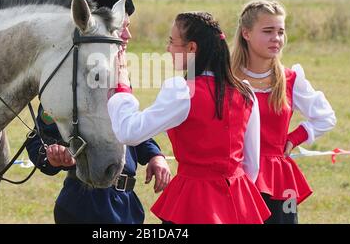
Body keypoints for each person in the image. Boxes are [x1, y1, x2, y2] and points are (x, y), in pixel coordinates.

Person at [107, 12, 271, 224]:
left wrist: (121, 86)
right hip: (238, 201)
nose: (168, 48)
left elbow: (129, 132)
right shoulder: (246, 92)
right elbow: (251, 165)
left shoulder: (182, 92)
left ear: (192, 48)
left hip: (194, 202)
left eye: (172, 42)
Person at [26, 0, 171, 224]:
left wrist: (155, 155)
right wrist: (51, 156)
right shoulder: (73, 83)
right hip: (85, 205)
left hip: (127, 205)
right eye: (124, 27)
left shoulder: (118, 76)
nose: (128, 36)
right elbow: (38, 139)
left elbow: (130, 126)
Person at [231, 0, 336, 224]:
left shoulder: (290, 79)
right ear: (246, 33)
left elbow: (325, 117)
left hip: (278, 181)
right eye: (268, 31)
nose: (276, 39)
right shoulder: (227, 78)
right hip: (235, 176)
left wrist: (294, 138)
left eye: (280, 32)